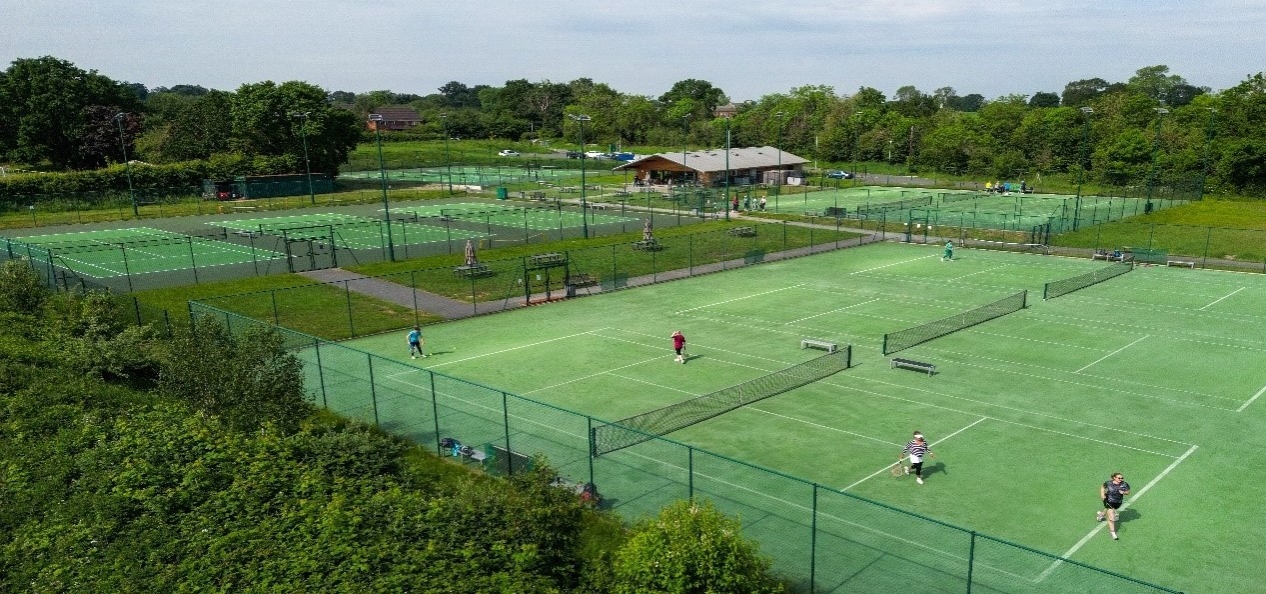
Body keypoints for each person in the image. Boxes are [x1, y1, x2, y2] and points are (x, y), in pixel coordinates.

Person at [1097, 472, 1131, 540]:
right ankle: (1113, 532)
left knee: (1109, 509)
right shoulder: (1108, 483)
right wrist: (1102, 494)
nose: (1121, 479)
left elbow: (1128, 492)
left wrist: (1123, 492)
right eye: (1119, 478)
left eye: (1122, 478)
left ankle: (1102, 514)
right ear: (1114, 478)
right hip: (1108, 500)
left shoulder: (1124, 484)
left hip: (1118, 502)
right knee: (1111, 516)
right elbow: (1103, 487)